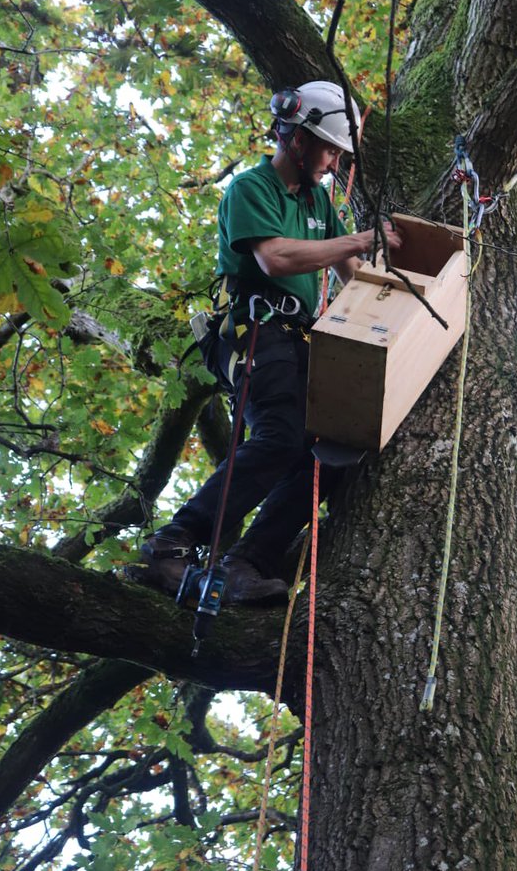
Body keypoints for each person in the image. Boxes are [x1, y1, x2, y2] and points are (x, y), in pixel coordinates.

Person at [131, 81, 401, 603]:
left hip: (302, 340)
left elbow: (352, 273)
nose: (334, 164)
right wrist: (360, 238)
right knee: (280, 435)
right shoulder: (251, 188)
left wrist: (405, 295)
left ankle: (246, 563)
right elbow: (274, 258)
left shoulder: (318, 201)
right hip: (256, 329)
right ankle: (173, 542)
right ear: (297, 139)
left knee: (331, 455)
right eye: (329, 151)